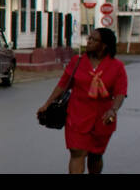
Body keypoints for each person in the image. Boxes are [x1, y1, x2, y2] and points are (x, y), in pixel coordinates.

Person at [36, 27, 127, 174]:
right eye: (89, 38)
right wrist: (46, 104)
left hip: (103, 119)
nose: (89, 41)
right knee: (77, 153)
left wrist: (113, 110)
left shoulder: (117, 67)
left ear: (104, 45)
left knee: (95, 156)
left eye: (93, 39)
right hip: (77, 116)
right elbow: (62, 85)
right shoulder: (77, 62)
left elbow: (120, 93)